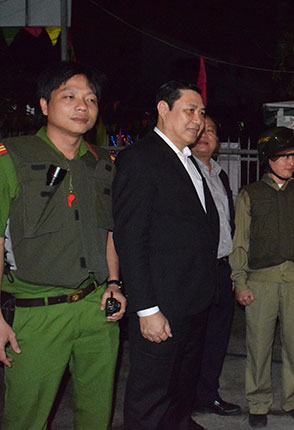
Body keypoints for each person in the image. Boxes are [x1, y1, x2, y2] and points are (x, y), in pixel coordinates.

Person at [0, 61, 126, 429]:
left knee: (96, 414)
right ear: (44, 105)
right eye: (69, 97)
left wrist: (114, 284)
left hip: (95, 307)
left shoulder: (103, 163)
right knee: (25, 417)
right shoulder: (13, 157)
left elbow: (109, 232)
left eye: (90, 99)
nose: (82, 106)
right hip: (36, 314)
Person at [113, 81, 220, 430]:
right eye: (189, 110)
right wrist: (147, 309)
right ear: (163, 109)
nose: (197, 120)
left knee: (179, 393)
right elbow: (131, 240)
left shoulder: (189, 162)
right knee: (151, 397)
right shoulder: (141, 159)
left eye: (201, 113)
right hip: (161, 307)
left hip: (193, 303)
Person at [230, 127, 294, 428]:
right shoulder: (250, 194)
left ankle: (292, 400)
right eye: (283, 157)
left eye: (293, 156)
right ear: (269, 159)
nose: (291, 162)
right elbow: (241, 241)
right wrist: (240, 282)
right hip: (261, 280)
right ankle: (258, 402)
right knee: (259, 345)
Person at [191, 115, 241, 416]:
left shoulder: (220, 175)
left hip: (222, 269)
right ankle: (185, 400)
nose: (205, 135)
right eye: (199, 129)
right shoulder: (184, 173)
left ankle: (208, 394)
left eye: (211, 130)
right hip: (196, 271)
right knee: (192, 339)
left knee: (217, 338)